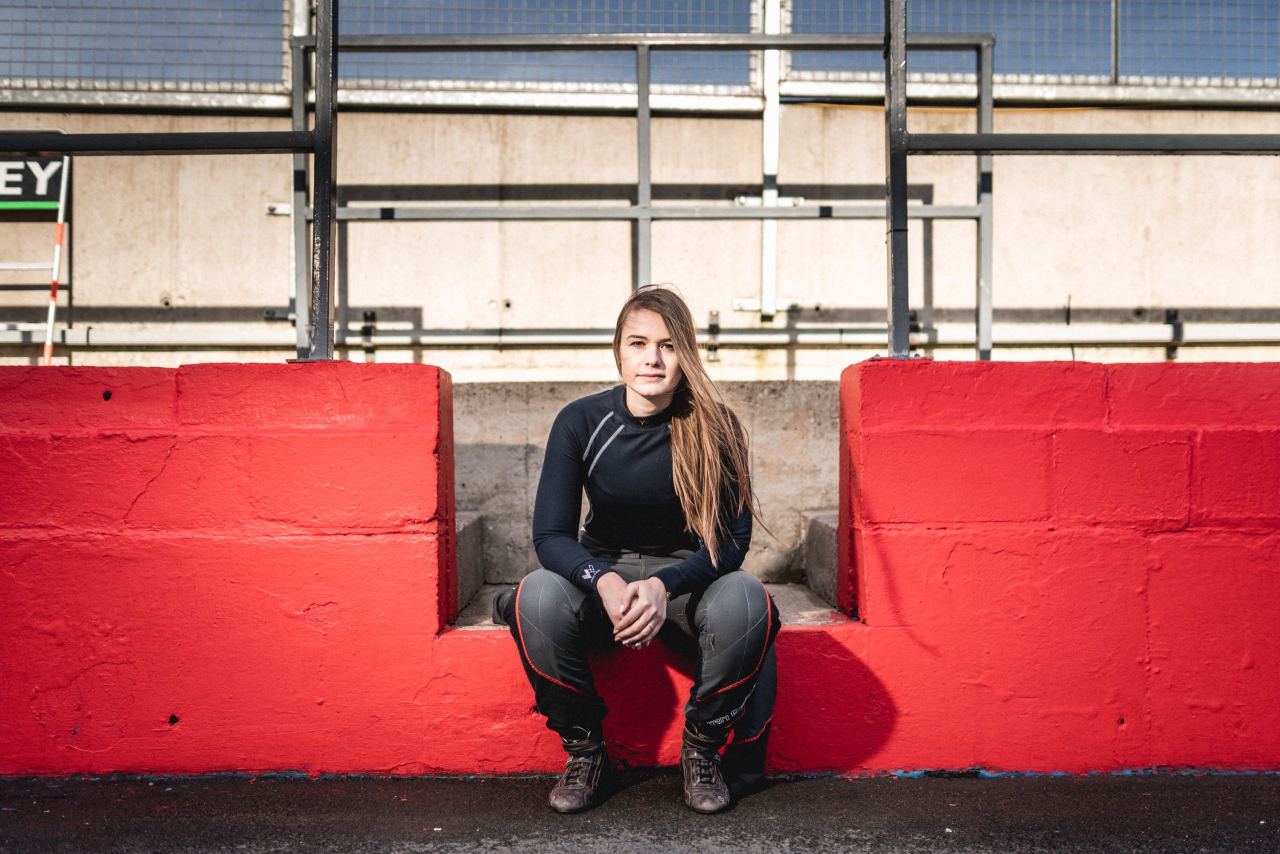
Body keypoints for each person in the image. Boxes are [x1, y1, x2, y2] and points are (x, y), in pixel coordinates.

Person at [494, 285, 780, 815]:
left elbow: (731, 545)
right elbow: (551, 536)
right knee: (534, 597)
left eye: (668, 345)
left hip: (687, 584)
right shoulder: (581, 421)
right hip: (604, 578)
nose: (651, 358)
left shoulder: (718, 428)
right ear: (618, 350)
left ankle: (701, 751)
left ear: (686, 353)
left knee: (747, 598)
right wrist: (602, 581)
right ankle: (585, 751)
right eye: (638, 343)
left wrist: (661, 585)